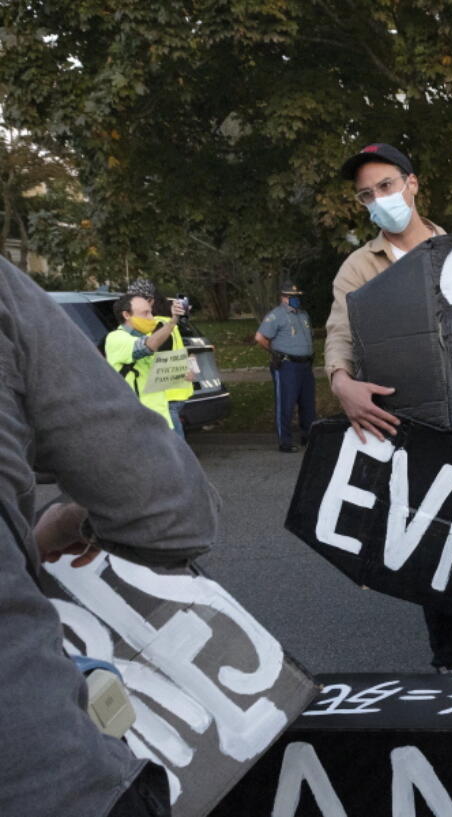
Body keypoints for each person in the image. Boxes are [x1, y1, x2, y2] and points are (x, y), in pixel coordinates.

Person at [0, 257, 220, 816]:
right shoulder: (120, 341)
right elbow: (171, 514)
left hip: (162, 417)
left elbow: (173, 362)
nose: (147, 315)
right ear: (126, 315)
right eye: (140, 310)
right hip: (40, 777)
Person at [326, 142, 452, 675]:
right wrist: (341, 382)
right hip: (411, 427)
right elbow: (340, 334)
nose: (379, 200)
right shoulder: (358, 267)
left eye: (387, 186)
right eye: (367, 195)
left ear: (412, 184)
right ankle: (447, 659)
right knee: (431, 548)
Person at [105, 292, 187, 431]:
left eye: (151, 312)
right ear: (127, 315)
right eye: (145, 313)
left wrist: (183, 372)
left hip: (162, 421)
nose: (151, 318)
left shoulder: (148, 336)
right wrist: (172, 321)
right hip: (139, 424)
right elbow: (146, 347)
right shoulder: (116, 338)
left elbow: (156, 375)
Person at [126, 279, 196, 439]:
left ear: (150, 301)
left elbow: (156, 356)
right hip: (177, 392)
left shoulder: (156, 325)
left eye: (135, 300)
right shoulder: (167, 321)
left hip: (165, 396)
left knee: (173, 447)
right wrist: (192, 369)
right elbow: (186, 348)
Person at [255, 282, 317, 453]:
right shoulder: (276, 315)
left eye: (297, 296)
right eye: (291, 296)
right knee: (286, 403)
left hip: (304, 364)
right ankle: (285, 441)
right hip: (287, 365)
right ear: (283, 297)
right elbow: (260, 337)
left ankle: (308, 436)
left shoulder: (303, 315)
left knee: (308, 403)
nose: (295, 299)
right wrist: (275, 353)